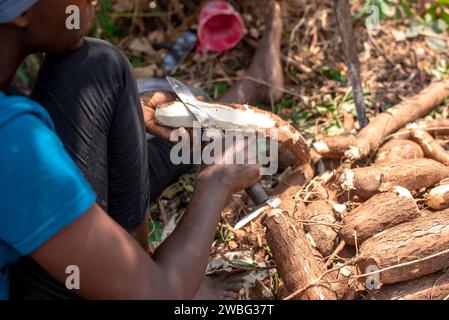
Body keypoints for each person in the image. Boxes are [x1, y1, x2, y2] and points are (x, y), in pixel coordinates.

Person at [0, 0, 285, 299]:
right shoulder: (13, 140)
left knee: (99, 68)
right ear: (20, 13)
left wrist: (123, 117)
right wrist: (216, 183)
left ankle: (247, 90)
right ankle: (150, 275)